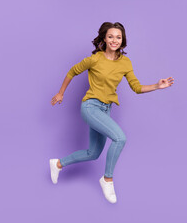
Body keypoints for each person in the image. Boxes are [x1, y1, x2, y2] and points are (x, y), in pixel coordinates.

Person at [49, 22, 174, 203]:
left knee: (93, 153)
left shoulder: (125, 62)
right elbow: (72, 71)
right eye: (110, 37)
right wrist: (61, 93)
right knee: (120, 138)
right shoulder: (95, 59)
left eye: (118, 37)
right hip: (90, 107)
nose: (114, 40)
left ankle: (58, 163)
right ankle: (107, 179)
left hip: (105, 110)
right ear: (104, 39)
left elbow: (136, 87)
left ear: (122, 40)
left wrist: (156, 85)